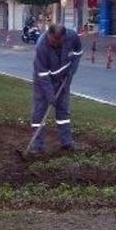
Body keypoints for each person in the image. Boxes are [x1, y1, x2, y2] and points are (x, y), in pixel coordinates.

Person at [29, 24, 84, 154]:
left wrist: (71, 71)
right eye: (52, 41)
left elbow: (78, 52)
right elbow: (42, 75)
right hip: (43, 81)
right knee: (39, 112)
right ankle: (37, 146)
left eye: (58, 42)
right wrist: (50, 96)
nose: (54, 44)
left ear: (64, 38)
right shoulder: (41, 46)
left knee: (63, 111)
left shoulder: (72, 37)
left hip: (63, 79)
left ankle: (67, 142)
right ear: (48, 35)